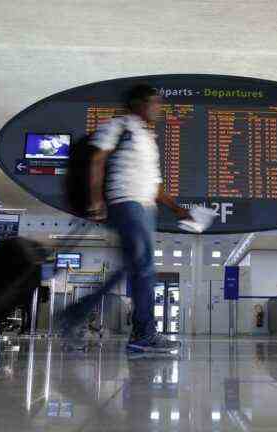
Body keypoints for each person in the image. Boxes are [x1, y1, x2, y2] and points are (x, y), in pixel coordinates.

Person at [87, 84, 190, 353]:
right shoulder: (119, 125)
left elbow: (155, 184)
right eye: (154, 102)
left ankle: (76, 317)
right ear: (139, 103)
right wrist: (96, 200)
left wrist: (177, 208)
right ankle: (143, 335)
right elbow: (97, 159)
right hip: (127, 201)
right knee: (144, 268)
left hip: (145, 208)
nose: (158, 108)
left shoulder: (148, 138)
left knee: (138, 268)